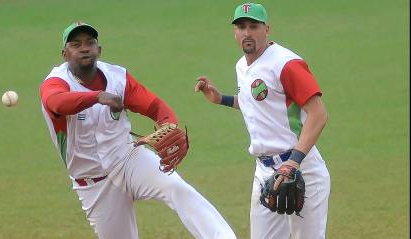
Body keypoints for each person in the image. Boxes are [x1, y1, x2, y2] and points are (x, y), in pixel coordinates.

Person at [39, 21, 237, 239]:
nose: (84, 48)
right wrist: (97, 96)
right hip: (93, 183)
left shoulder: (117, 78)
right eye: (76, 44)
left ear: (99, 50)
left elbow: (155, 106)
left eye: (90, 43)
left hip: (128, 160)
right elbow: (56, 102)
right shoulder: (56, 82)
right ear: (65, 54)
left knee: (177, 188)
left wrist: (168, 124)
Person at [194, 3, 330, 239]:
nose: (247, 32)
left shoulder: (287, 64)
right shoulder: (242, 65)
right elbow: (256, 103)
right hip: (265, 173)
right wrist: (221, 99)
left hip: (302, 169)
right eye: (241, 27)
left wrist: (293, 163)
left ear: (266, 29)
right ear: (234, 33)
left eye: (253, 26)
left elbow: (318, 114)